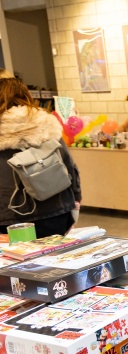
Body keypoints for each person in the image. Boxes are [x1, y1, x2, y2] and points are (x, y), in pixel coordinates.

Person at [0, 78, 82, 237]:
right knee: (55, 257)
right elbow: (70, 168)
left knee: (15, 261)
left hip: (7, 219)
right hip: (55, 211)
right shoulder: (46, 124)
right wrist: (74, 201)